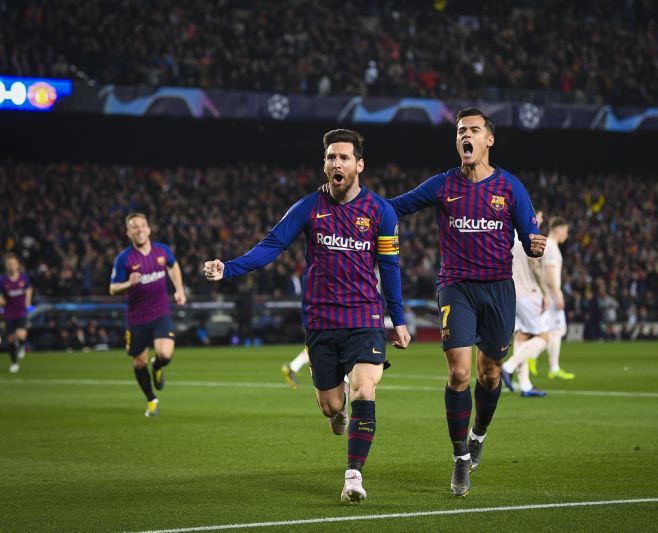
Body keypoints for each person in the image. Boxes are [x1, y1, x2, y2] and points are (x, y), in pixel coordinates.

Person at [204, 129, 411, 504]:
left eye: (344, 157)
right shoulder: (308, 207)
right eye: (331, 157)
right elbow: (271, 246)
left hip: (365, 318)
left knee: (366, 386)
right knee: (333, 408)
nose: (336, 163)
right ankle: (337, 404)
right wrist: (228, 268)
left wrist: (398, 320)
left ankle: (353, 477)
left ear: (359, 165)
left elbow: (391, 268)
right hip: (320, 323)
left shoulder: (381, 211)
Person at [387, 108, 547, 496]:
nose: (466, 135)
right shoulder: (444, 185)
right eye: (460, 131)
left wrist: (535, 244)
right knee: (459, 372)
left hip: (498, 290)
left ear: (488, 139)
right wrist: (354, 203)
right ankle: (460, 459)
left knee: (489, 372)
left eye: (473, 130)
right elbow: (394, 205)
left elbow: (530, 236)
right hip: (456, 287)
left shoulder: (510, 188)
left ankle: (478, 434)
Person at [110, 213, 187, 416]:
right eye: (134, 227)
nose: (139, 229)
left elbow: (173, 265)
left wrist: (179, 289)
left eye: (142, 225)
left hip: (160, 313)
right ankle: (151, 400)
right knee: (139, 362)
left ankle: (158, 366)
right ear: (128, 233)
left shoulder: (162, 251)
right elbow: (112, 288)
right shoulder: (123, 259)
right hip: (137, 319)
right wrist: (128, 283)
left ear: (149, 229)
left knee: (165, 354)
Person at [499, 216, 548, 398]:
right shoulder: (531, 241)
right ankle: (507, 367)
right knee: (544, 337)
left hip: (513, 293)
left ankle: (525, 385)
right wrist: (546, 293)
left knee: (522, 336)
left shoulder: (510, 239)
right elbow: (535, 268)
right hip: (528, 294)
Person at [542, 216, 574, 380]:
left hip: (546, 293)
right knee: (556, 330)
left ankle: (551, 365)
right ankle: (550, 365)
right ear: (558, 230)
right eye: (566, 231)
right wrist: (557, 294)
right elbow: (550, 273)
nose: (566, 235)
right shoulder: (551, 247)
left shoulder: (547, 245)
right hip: (551, 294)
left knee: (552, 330)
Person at [1, 254, 33, 373]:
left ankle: (22, 345)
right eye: (9, 264)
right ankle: (14, 363)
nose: (12, 266)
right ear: (6, 266)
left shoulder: (23, 278)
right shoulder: (3, 280)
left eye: (14, 264)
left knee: (21, 335)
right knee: (10, 339)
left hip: (21, 311)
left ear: (18, 265)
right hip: (9, 312)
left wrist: (28, 301)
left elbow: (29, 288)